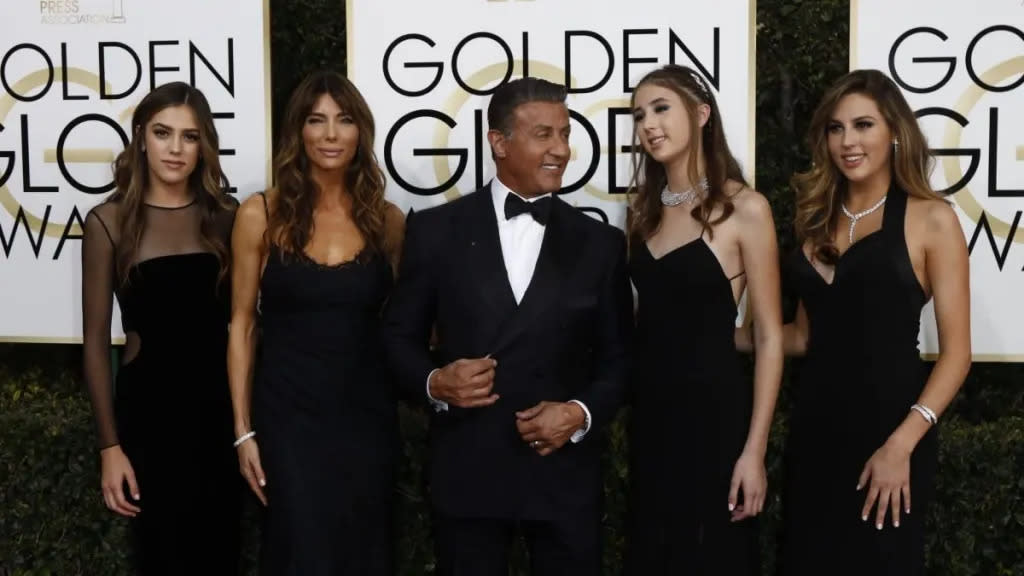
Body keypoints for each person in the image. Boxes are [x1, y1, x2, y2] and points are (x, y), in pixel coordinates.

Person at [382, 77, 632, 576]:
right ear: (499, 142)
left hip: (562, 479)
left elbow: (621, 359)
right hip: (470, 472)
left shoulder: (599, 244)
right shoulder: (435, 232)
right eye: (544, 135)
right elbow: (396, 340)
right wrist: (435, 383)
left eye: (564, 134)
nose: (560, 150)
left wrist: (579, 414)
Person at [739, 69, 971, 575]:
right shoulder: (815, 218)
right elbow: (803, 335)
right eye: (835, 128)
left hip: (890, 432)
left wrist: (901, 444)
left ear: (894, 131)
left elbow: (957, 355)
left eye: (863, 125)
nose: (848, 141)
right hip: (816, 430)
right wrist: (720, 334)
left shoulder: (932, 218)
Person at [227, 70, 404, 575]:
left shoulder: (386, 220)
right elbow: (241, 324)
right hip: (287, 420)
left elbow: (403, 324)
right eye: (317, 120)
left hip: (366, 418)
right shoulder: (260, 215)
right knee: (298, 551)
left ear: (360, 132)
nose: (330, 134)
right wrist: (244, 433)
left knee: (365, 553)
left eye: (344, 120)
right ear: (297, 132)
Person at [624, 64, 783, 575]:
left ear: (701, 113)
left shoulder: (745, 208)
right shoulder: (641, 210)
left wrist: (754, 452)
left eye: (661, 108)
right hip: (650, 418)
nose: (648, 124)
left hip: (714, 420)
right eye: (639, 114)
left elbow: (769, 336)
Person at [81, 81, 241, 574]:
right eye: (162, 132)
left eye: (190, 137)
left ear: (204, 146)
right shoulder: (107, 223)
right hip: (149, 418)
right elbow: (93, 343)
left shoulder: (228, 218)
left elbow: (248, 324)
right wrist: (110, 447)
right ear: (141, 138)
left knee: (222, 554)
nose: (175, 148)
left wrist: (249, 426)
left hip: (219, 415)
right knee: (159, 556)